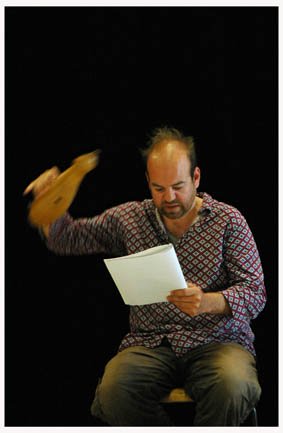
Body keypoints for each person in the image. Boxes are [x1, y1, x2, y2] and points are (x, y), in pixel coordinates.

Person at [26, 127, 266, 426]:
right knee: (114, 391)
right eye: (158, 188)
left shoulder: (229, 220)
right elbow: (67, 239)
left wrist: (208, 302)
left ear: (196, 177)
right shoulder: (130, 219)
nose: (169, 198)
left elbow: (256, 293)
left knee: (232, 386)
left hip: (218, 342)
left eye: (178, 186)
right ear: (148, 182)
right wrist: (50, 202)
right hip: (151, 344)